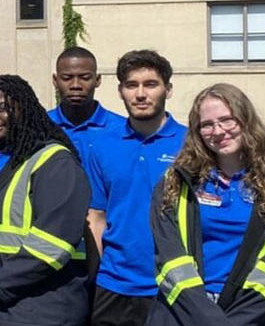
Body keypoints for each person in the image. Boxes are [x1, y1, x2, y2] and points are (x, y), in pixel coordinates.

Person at [151, 83, 265, 325]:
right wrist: (207, 318)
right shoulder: (175, 181)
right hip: (184, 314)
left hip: (255, 316)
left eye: (227, 120)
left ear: (246, 120)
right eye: (207, 125)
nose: (219, 131)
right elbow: (170, 257)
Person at [0, 75, 89, 326]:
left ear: (23, 108)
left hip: (40, 309)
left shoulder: (54, 162)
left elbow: (55, 240)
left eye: (3, 108)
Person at [84, 49, 186, 326]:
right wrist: (99, 277)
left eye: (150, 84)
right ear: (120, 91)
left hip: (174, 286)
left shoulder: (190, 145)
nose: (140, 94)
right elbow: (96, 218)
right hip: (113, 288)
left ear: (169, 89)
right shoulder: (103, 145)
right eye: (132, 85)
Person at [46, 46, 121, 171]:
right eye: (67, 78)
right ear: (55, 80)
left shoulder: (122, 130)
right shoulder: (40, 129)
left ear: (97, 80)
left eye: (85, 78)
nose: (75, 85)